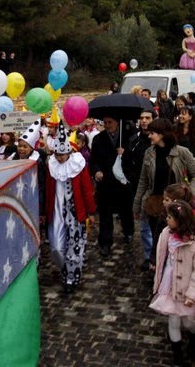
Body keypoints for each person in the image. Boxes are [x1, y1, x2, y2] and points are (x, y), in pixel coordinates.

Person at [132, 118, 195, 268]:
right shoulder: (149, 153)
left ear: (162, 135)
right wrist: (137, 205)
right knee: (158, 240)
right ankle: (159, 271)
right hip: (155, 205)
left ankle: (174, 271)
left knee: (176, 240)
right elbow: (143, 181)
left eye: (152, 133)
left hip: (176, 206)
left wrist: (188, 193)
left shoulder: (181, 152)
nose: (149, 136)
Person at [150, 200, 195, 366]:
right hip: (169, 286)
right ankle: (178, 359)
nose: (167, 219)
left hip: (186, 290)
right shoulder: (166, 234)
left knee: (187, 321)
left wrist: (192, 294)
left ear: (181, 220)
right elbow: (161, 254)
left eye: (170, 217)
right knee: (173, 321)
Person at [44, 126, 96, 295]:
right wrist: (45, 213)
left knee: (74, 247)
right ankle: (65, 268)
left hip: (75, 212)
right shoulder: (51, 166)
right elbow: (47, 192)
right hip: (57, 212)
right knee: (57, 247)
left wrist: (90, 211)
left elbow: (87, 189)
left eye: (62, 155)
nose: (59, 158)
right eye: (57, 155)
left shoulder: (77, 165)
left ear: (69, 152)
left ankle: (70, 279)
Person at [89, 115, 134, 257]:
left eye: (110, 122)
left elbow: (135, 159)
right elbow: (93, 160)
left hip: (122, 182)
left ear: (117, 122)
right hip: (105, 183)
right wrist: (96, 171)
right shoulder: (98, 139)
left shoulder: (127, 137)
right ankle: (106, 242)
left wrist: (125, 154)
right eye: (105, 122)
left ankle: (128, 231)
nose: (107, 125)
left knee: (125, 210)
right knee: (105, 214)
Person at [126, 107, 155, 270]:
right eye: (142, 118)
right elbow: (128, 163)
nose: (144, 121)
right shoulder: (134, 139)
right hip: (140, 188)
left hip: (157, 189)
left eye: (148, 118)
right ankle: (148, 256)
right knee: (144, 226)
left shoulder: (159, 139)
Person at [174, 105, 195, 179]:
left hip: (190, 165)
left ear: (190, 117)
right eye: (180, 114)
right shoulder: (175, 128)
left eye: (183, 114)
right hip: (176, 164)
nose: (180, 116)